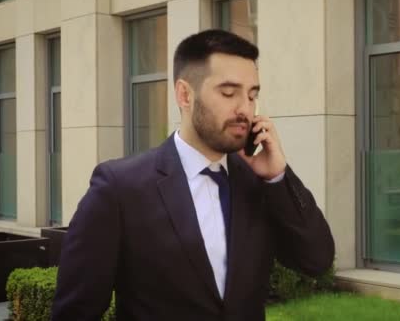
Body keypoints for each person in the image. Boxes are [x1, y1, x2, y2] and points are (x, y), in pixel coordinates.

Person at [51, 29, 335, 320]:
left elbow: (316, 260)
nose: (245, 109)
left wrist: (277, 176)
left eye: (252, 96)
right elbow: (75, 311)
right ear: (185, 95)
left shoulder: (259, 182)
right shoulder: (120, 188)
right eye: (228, 93)